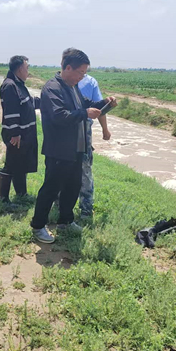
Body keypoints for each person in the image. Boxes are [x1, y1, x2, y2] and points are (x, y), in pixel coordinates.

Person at [31, 48, 116, 243]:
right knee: (51, 188)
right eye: (81, 72)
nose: (82, 77)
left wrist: (106, 103)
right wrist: (85, 113)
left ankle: (66, 221)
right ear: (68, 67)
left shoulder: (73, 87)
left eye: (84, 73)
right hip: (59, 149)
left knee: (72, 186)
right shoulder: (52, 88)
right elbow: (59, 116)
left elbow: (87, 104)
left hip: (76, 148)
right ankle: (38, 226)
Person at [0, 55, 40, 206]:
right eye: (27, 68)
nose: (28, 71)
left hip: (25, 134)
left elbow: (29, 103)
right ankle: (3, 200)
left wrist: (45, 101)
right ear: (20, 69)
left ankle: (21, 194)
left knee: (21, 164)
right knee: (11, 164)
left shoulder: (19, 84)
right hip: (16, 135)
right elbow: (11, 112)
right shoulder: (10, 86)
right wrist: (15, 133)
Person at [77, 74, 111, 218]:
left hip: (84, 129)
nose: (80, 74)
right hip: (67, 129)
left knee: (85, 169)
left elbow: (99, 109)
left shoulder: (90, 82)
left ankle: (86, 208)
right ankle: (61, 205)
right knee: (65, 167)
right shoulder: (61, 83)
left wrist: (105, 129)